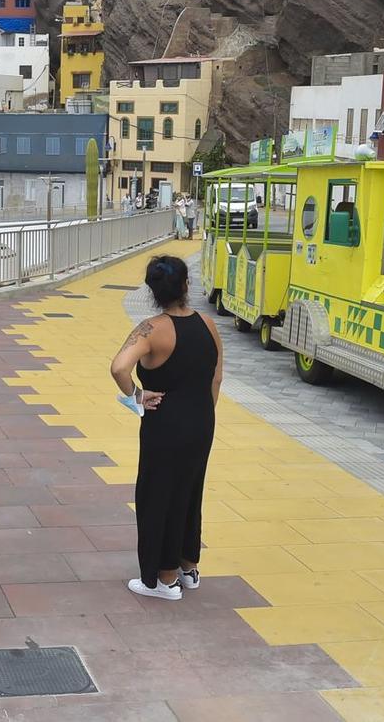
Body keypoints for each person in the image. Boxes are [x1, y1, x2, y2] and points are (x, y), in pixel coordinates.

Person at [109, 254, 222, 600]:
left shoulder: (151, 330)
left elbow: (118, 368)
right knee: (190, 491)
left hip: (165, 424)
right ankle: (189, 569)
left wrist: (137, 397)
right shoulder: (208, 324)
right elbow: (216, 376)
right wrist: (202, 414)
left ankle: (163, 579)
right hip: (202, 420)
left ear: (153, 290)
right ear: (187, 285)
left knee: (158, 495)